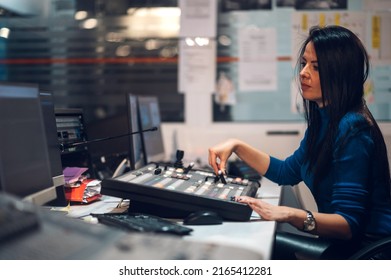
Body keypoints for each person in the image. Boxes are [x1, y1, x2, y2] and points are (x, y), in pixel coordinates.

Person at [208, 25, 391, 259]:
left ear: (340, 73)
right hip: (345, 244)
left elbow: (347, 224)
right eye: (304, 63)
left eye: (316, 67)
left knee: (264, 245)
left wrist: (289, 214)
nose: (303, 72)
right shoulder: (324, 120)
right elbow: (286, 172)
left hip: (366, 252)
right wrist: (236, 145)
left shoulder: (352, 127)